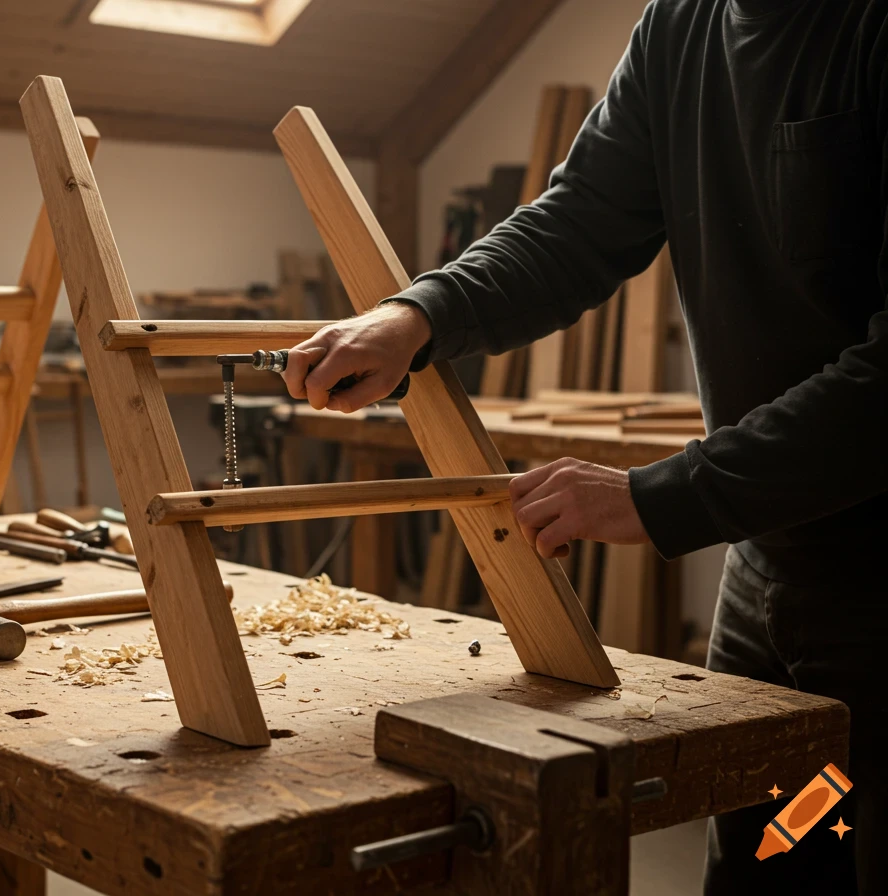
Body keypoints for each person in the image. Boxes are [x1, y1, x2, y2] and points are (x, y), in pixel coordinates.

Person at [280, 1, 886, 893]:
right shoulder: (681, 27)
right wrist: (418, 316)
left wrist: (662, 496)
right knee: (780, 853)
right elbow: (576, 225)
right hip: (770, 572)